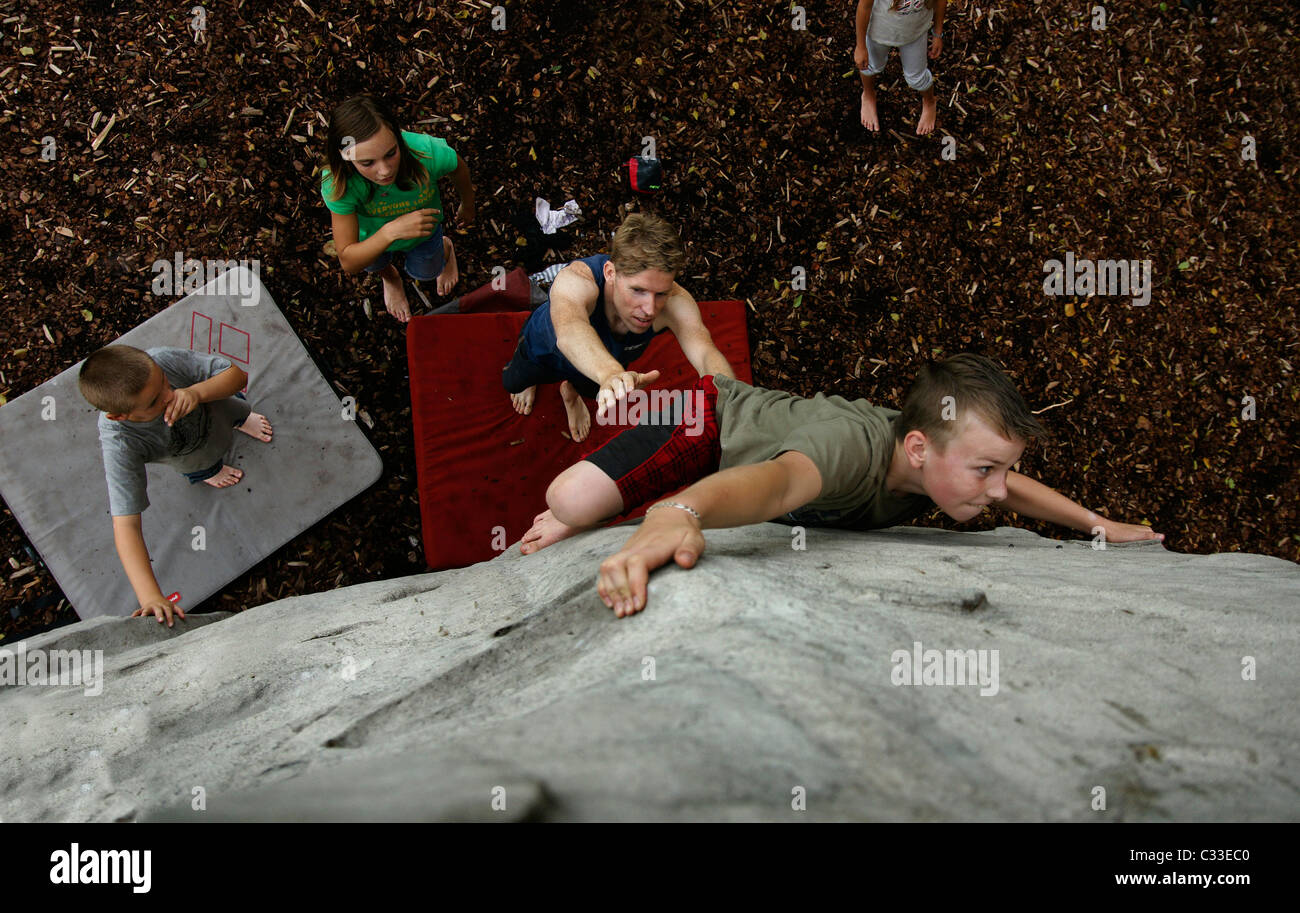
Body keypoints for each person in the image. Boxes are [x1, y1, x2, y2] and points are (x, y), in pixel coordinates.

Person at [519, 354, 1164, 617]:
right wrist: (677, 511)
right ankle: (602, 490)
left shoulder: (931, 462)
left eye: (999, 469)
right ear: (918, 448)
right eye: (984, 470)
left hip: (744, 444)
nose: (998, 490)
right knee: (568, 500)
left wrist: (1098, 526)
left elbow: (1018, 491)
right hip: (706, 424)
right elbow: (774, 488)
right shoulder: (851, 455)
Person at [78, 345, 274, 626]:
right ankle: (210, 471)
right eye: (155, 402)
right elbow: (125, 525)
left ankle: (241, 420)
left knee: (238, 409)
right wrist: (150, 597)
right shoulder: (120, 443)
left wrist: (196, 392)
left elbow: (238, 377)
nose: (169, 397)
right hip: (192, 457)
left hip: (220, 408)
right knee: (204, 465)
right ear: (120, 416)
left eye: (165, 384)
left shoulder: (162, 361)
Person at [502, 212, 735, 442]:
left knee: (591, 390)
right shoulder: (577, 280)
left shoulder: (675, 300)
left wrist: (733, 403)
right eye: (638, 290)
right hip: (545, 350)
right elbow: (569, 329)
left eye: (661, 293)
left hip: (609, 365)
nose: (651, 310)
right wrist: (610, 373)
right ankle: (532, 382)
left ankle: (570, 395)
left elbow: (704, 350)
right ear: (610, 272)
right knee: (514, 382)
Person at [321, 94, 475, 323]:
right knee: (376, 264)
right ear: (345, 157)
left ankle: (447, 248)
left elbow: (458, 167)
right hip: (371, 240)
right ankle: (391, 279)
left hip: (424, 232)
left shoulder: (426, 152)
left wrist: (467, 204)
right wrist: (390, 232)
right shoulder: (338, 184)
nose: (384, 171)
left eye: (391, 154)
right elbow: (349, 260)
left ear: (399, 138)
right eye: (367, 163)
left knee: (426, 273)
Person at [855, 0, 947, 135]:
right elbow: (864, 6)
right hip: (878, 32)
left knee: (917, 78)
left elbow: (940, 2)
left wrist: (937, 34)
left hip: (915, 33)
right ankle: (868, 95)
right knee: (870, 66)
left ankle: (930, 102)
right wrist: (861, 46)